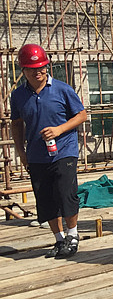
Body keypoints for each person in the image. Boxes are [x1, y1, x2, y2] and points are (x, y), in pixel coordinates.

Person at [10, 44, 87, 258]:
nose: (39, 72)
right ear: (23, 70)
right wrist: (21, 152)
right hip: (36, 154)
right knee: (45, 198)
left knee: (65, 193)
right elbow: (16, 124)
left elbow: (81, 115)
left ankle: (72, 235)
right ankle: (59, 239)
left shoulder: (62, 89)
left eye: (42, 67)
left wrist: (59, 129)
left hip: (64, 150)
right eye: (33, 69)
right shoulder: (18, 96)